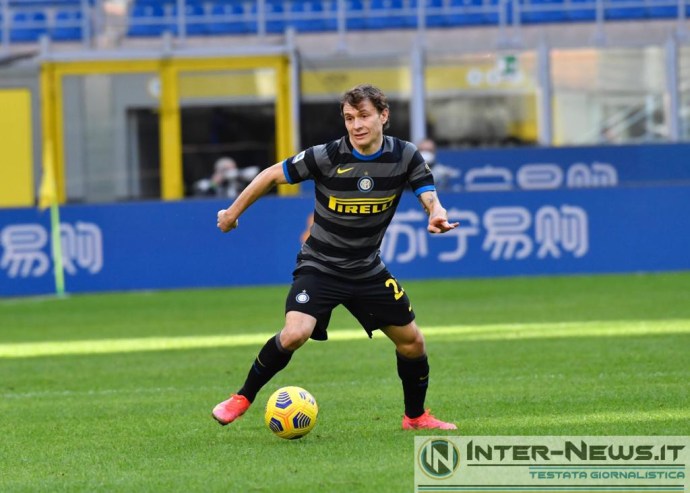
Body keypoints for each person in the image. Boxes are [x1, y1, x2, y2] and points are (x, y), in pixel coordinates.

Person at [214, 84, 459, 430]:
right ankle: (241, 398)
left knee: (413, 343)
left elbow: (428, 193)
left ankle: (415, 417)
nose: (356, 125)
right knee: (295, 333)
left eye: (363, 116)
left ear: (383, 116)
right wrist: (232, 213)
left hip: (367, 269)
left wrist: (436, 212)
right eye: (349, 118)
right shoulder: (327, 155)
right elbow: (271, 175)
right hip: (320, 266)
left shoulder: (405, 155)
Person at [194, 157, 259, 198]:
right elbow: (200, 195)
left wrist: (239, 175)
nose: (231, 172)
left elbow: (255, 171)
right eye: (228, 170)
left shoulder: (236, 180)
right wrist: (214, 184)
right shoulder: (207, 182)